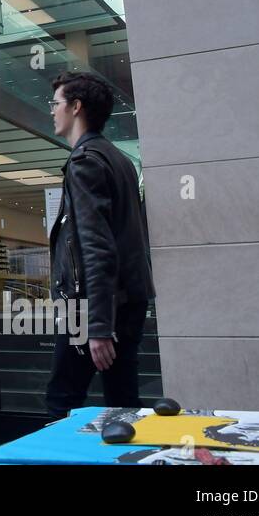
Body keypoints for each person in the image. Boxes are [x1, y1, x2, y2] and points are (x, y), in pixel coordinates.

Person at [45, 71, 156, 418]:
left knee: (61, 400)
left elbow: (97, 247)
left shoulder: (85, 162)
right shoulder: (119, 160)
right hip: (128, 301)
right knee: (122, 403)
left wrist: (97, 326)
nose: (52, 110)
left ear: (76, 107)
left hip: (93, 308)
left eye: (56, 103)